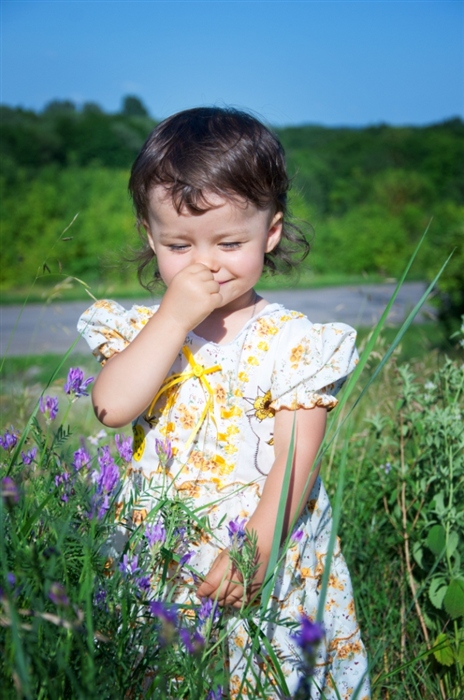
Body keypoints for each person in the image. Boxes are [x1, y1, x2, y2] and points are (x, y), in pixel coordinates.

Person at [78, 107, 370, 699]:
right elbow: (110, 407)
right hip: (165, 547)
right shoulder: (147, 330)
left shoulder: (294, 343)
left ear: (272, 232)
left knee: (268, 674)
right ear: (149, 237)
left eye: (230, 242)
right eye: (179, 244)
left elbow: (295, 459)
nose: (204, 263)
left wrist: (254, 548)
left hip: (262, 544)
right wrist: (173, 318)